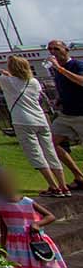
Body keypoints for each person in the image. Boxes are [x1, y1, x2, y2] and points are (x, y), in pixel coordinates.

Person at [0, 56, 69, 196]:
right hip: (40, 119)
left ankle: (54, 187)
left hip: (22, 120)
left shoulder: (6, 81)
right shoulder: (34, 82)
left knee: (35, 154)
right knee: (50, 152)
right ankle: (63, 186)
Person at [0, 161, 66, 267]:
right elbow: (4, 224)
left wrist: (37, 224)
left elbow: (50, 216)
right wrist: (3, 244)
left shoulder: (27, 202)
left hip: (32, 241)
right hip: (14, 244)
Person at [44, 38, 83, 192]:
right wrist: (59, 100)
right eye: (50, 49)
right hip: (66, 114)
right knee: (50, 143)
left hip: (81, 114)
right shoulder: (57, 70)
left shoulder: (76, 65)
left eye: (56, 49)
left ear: (65, 49)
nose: (53, 52)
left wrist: (60, 69)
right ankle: (79, 176)